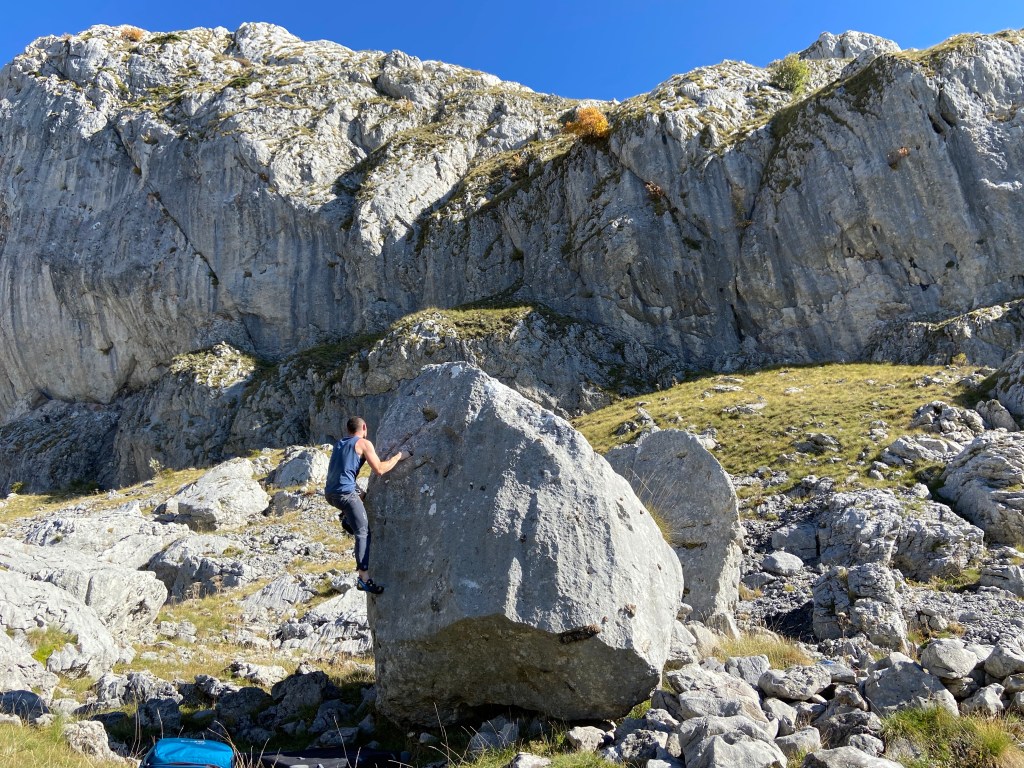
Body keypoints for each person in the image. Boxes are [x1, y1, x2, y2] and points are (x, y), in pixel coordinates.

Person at [324, 417, 408, 594]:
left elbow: (341, 472)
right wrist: (399, 456)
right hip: (345, 495)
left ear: (348, 430)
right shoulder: (363, 443)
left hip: (331, 494)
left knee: (358, 506)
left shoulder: (340, 444)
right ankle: (364, 578)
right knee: (363, 532)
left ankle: (347, 517)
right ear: (364, 427)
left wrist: (359, 492)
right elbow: (380, 469)